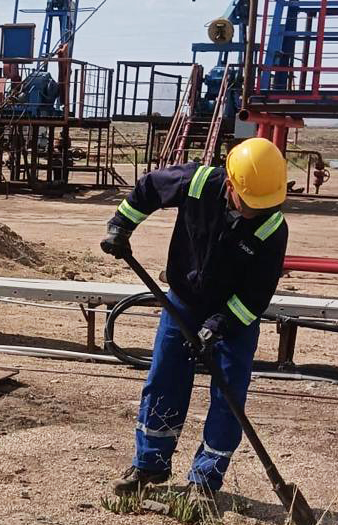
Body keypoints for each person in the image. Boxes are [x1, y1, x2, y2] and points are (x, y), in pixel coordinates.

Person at [100, 137, 290, 500]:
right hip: (184, 302)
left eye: (262, 206)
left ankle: (205, 480)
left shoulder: (272, 227)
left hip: (234, 317)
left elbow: (256, 295)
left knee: (228, 395)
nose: (254, 212)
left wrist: (218, 327)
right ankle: (150, 464)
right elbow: (149, 188)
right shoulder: (198, 182)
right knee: (164, 378)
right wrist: (122, 225)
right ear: (231, 185)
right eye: (249, 203)